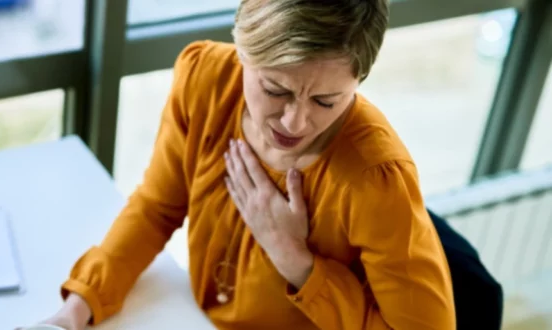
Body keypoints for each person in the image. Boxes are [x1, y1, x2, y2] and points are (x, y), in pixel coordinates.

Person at [23, 0, 461, 329]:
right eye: (275, 89)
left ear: (358, 80)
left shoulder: (374, 178)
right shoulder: (205, 81)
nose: (295, 121)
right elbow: (157, 209)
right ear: (242, 50)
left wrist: (297, 262)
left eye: (327, 101)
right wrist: (74, 311)